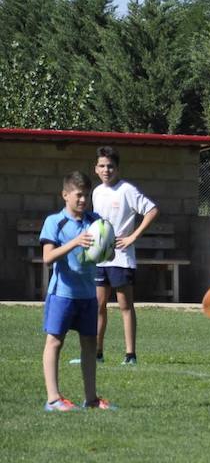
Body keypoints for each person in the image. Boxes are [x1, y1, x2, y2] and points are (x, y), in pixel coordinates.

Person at [39, 171, 114, 411]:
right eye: (79, 195)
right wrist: (74, 242)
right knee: (54, 342)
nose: (83, 200)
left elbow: (106, 253)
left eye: (87, 195)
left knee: (90, 344)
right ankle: (53, 399)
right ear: (65, 195)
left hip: (88, 295)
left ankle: (91, 399)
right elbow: (48, 257)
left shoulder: (95, 220)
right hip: (62, 293)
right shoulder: (55, 222)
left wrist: (107, 248)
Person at [89, 145, 159, 366]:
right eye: (102, 166)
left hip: (122, 259)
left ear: (117, 169)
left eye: (110, 166)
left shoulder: (127, 190)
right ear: (96, 169)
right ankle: (97, 353)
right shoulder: (96, 192)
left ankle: (130, 355)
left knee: (124, 306)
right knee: (98, 305)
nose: (106, 170)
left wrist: (133, 236)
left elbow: (152, 210)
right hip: (100, 258)